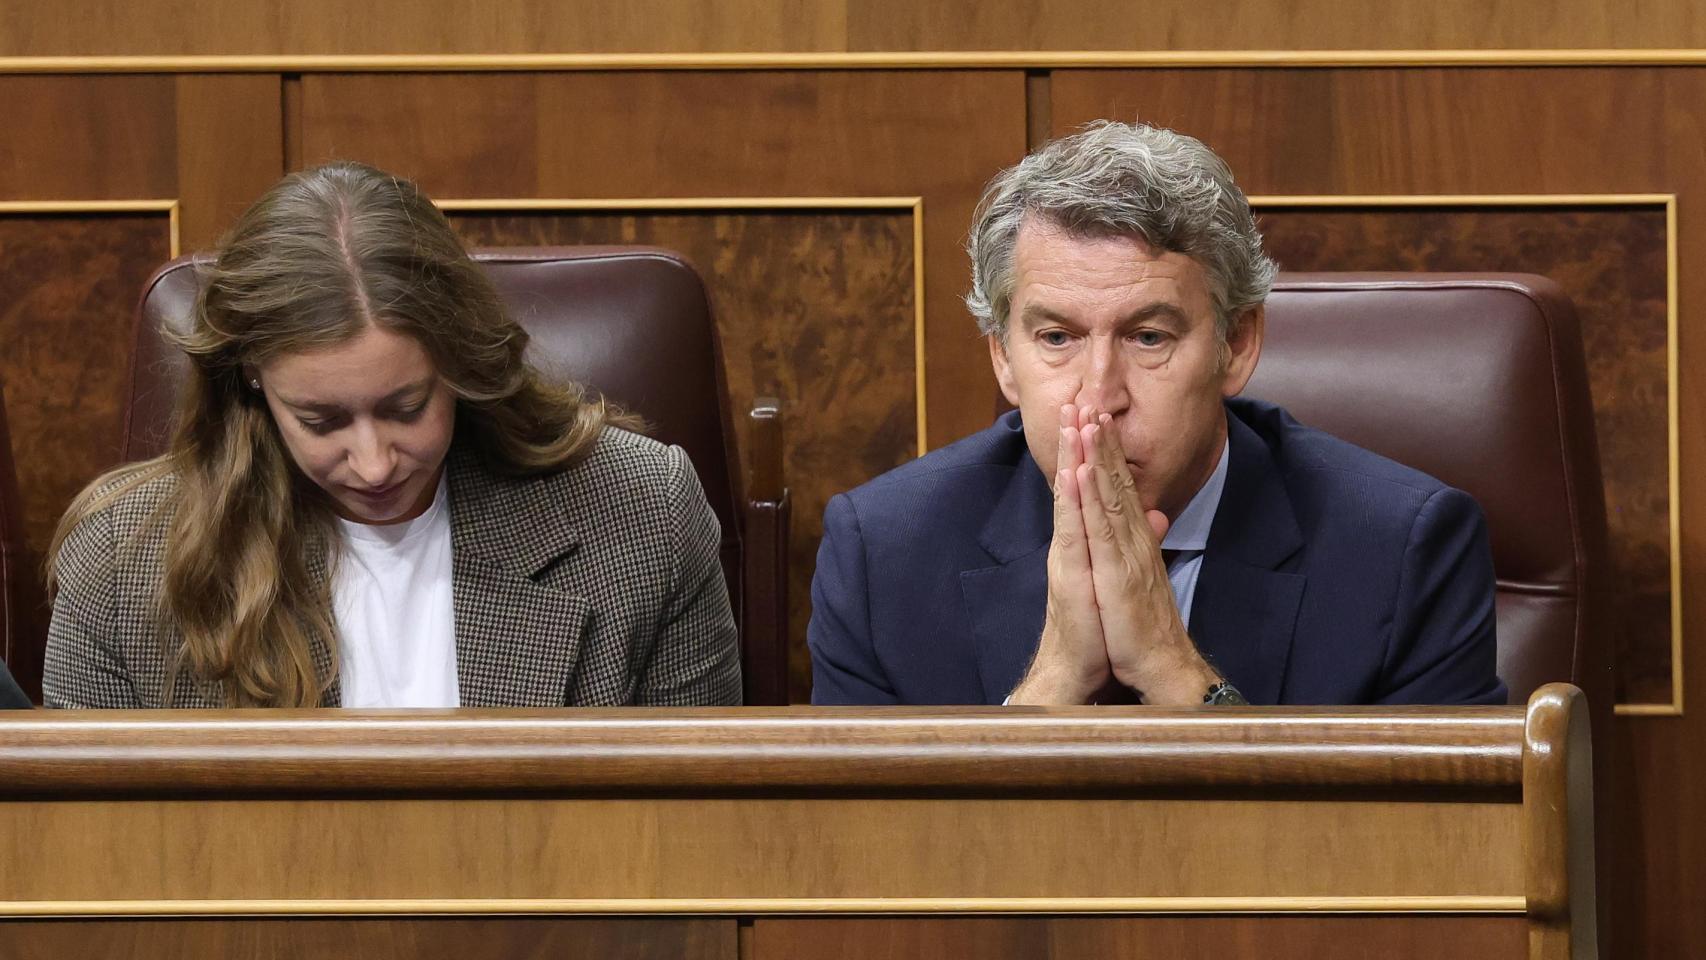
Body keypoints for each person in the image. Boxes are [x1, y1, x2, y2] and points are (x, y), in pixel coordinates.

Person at [808, 121, 1505, 707]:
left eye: (1149, 338)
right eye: (1058, 338)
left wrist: (1174, 670)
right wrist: (1054, 684)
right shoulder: (882, 554)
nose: (1100, 396)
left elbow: (1430, 857)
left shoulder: (1403, 551)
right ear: (1002, 358)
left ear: (1236, 344)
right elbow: (869, 863)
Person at [44, 162, 741, 709]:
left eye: (406, 408)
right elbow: (101, 873)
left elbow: (695, 845)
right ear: (253, 379)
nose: (374, 464)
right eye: (322, 421)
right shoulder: (120, 566)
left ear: (460, 365)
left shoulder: (644, 513)